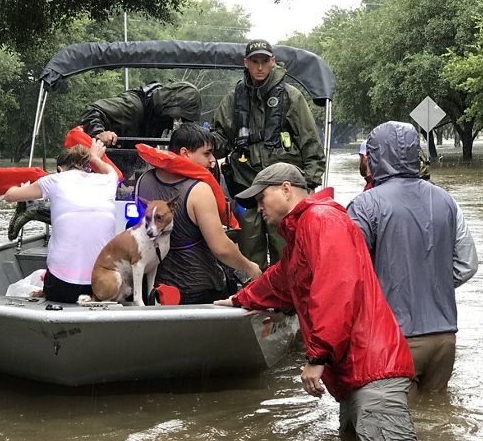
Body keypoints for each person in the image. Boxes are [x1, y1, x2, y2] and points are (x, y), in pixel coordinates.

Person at [215, 162, 417, 441]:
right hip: (358, 374)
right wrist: (239, 299)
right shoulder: (303, 230)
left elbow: (336, 290)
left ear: (286, 189)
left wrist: (316, 358)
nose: (258, 208)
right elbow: (281, 280)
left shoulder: (321, 219)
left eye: (261, 199)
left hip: (373, 372)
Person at [347, 121, 479, 393]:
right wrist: (430, 283)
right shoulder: (447, 200)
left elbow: (347, 270)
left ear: (375, 156)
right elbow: (467, 264)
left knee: (398, 428)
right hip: (444, 337)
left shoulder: (364, 204)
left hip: (393, 337)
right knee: (438, 417)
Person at [210, 39, 326, 269]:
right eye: (255, 62)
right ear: (246, 63)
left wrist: (309, 185)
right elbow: (220, 139)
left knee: (287, 252)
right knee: (249, 255)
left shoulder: (291, 97)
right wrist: (202, 143)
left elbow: (310, 143)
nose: (260, 67)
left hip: (282, 192)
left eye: (264, 61)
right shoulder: (234, 99)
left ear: (272, 62)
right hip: (246, 187)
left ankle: (288, 302)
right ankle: (252, 299)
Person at [135, 123, 261, 304]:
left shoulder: (143, 181)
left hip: (155, 289)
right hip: (198, 289)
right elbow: (221, 248)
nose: (212, 160)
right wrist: (250, 268)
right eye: (206, 153)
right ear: (185, 153)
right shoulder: (199, 190)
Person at [3, 139, 118, 303]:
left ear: (59, 170)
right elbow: (110, 170)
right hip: (100, 287)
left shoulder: (55, 180)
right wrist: (94, 157)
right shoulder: (108, 180)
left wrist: (15, 188)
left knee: (41, 277)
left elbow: (10, 196)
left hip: (62, 286)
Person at [78, 81, 201, 146]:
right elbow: (91, 111)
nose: (176, 122)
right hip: (96, 170)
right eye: (178, 117)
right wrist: (99, 133)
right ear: (169, 106)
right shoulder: (131, 106)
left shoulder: (156, 120)